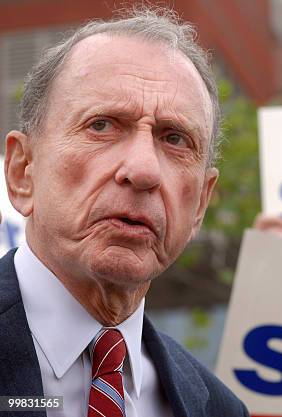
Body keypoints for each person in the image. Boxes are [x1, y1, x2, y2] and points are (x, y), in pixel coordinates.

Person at [1, 6, 248, 417]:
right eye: (102, 125)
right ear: (23, 170)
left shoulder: (219, 408)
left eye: (175, 139)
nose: (144, 170)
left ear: (201, 203)